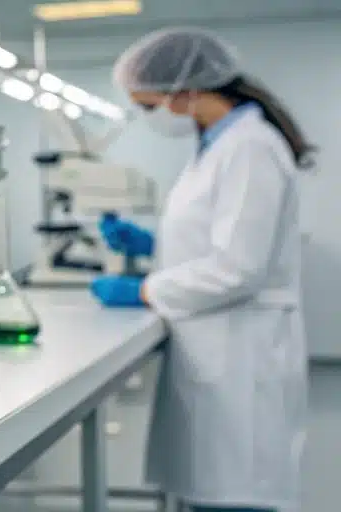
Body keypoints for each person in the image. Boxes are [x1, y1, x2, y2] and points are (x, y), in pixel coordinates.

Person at [90, 27, 311, 512]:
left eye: (149, 106)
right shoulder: (219, 144)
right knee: (209, 488)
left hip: (241, 353)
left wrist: (143, 290)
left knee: (232, 492)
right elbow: (218, 238)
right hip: (218, 346)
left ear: (186, 92)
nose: (152, 118)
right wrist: (154, 245)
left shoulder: (249, 147)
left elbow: (238, 267)